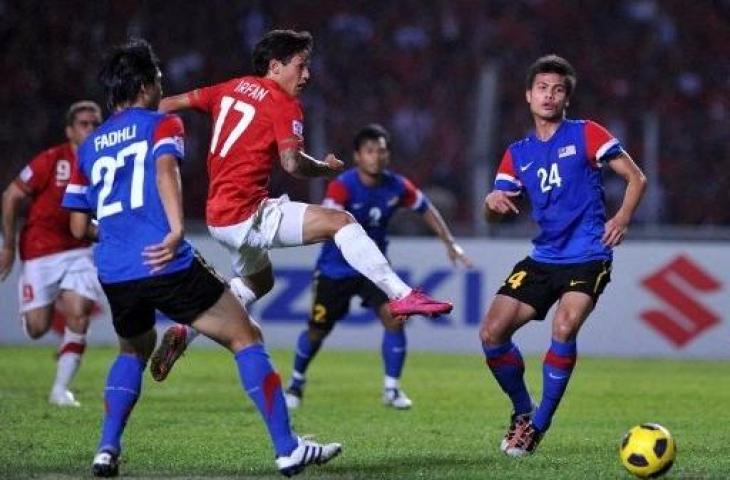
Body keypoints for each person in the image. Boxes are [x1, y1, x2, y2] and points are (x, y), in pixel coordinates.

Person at [62, 38, 341, 478]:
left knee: (133, 349)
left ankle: (106, 448)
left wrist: (118, 237)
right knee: (245, 336)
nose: (161, 86)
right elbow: (166, 172)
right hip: (166, 259)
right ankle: (288, 448)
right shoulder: (162, 126)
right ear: (144, 84)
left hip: (114, 268)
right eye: (157, 79)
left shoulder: (89, 145)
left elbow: (79, 226)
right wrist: (174, 228)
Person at [150, 29, 451, 381]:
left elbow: (166, 104)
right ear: (275, 66)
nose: (307, 75)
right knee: (341, 222)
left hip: (218, 218)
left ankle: (186, 331)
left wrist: (129, 125)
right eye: (301, 65)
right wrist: (323, 168)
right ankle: (401, 294)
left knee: (258, 283)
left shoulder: (229, 87)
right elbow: (292, 164)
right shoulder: (283, 102)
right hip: (247, 214)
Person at [480, 55, 646, 457]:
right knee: (491, 334)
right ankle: (523, 412)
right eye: (542, 88)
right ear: (528, 95)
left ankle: (538, 426)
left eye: (557, 89)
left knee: (564, 326)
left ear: (566, 98)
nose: (549, 95)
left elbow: (636, 176)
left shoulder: (587, 134)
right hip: (543, 257)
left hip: (588, 254)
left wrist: (622, 217)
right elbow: (494, 215)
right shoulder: (517, 153)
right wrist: (492, 201)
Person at [283, 124, 471, 410]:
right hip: (336, 270)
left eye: (382, 151)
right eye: (370, 151)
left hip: (374, 271)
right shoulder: (342, 186)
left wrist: (450, 243)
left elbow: (426, 209)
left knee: (395, 319)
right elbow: (325, 219)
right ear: (358, 156)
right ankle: (296, 383)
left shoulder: (397, 185)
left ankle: (391, 389)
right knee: (317, 330)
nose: (377, 157)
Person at [0, 100, 103, 407]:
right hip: (40, 251)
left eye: (96, 124)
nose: (91, 129)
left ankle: (60, 390)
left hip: (79, 251)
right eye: (84, 124)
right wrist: (8, 244)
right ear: (70, 130)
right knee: (36, 329)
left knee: (79, 313)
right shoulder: (51, 159)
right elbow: (11, 195)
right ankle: (42, 303)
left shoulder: (104, 160)